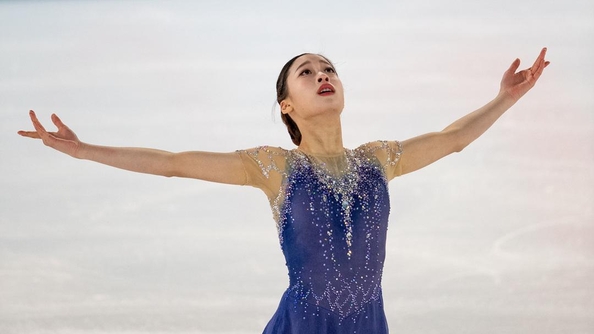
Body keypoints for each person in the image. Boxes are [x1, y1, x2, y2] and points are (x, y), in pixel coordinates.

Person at [18, 48, 549, 333]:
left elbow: (453, 139)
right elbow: (172, 164)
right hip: (304, 325)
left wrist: (505, 98)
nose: (323, 75)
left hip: (367, 324)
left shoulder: (378, 160)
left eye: (330, 69)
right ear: (286, 106)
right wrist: (84, 150)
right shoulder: (274, 168)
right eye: (306, 72)